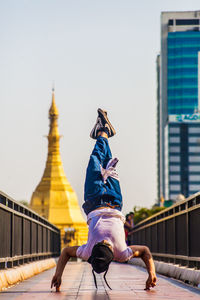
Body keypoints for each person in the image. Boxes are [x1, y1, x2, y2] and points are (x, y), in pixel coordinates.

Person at [51, 108, 157, 291]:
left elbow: (66, 252)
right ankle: (103, 132)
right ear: (112, 254)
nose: (103, 241)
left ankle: (104, 132)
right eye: (105, 244)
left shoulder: (88, 251)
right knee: (106, 162)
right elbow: (146, 251)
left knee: (95, 161)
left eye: (100, 243)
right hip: (115, 200)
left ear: (92, 252)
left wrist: (58, 274)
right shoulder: (122, 253)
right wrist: (152, 274)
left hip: (94, 201)